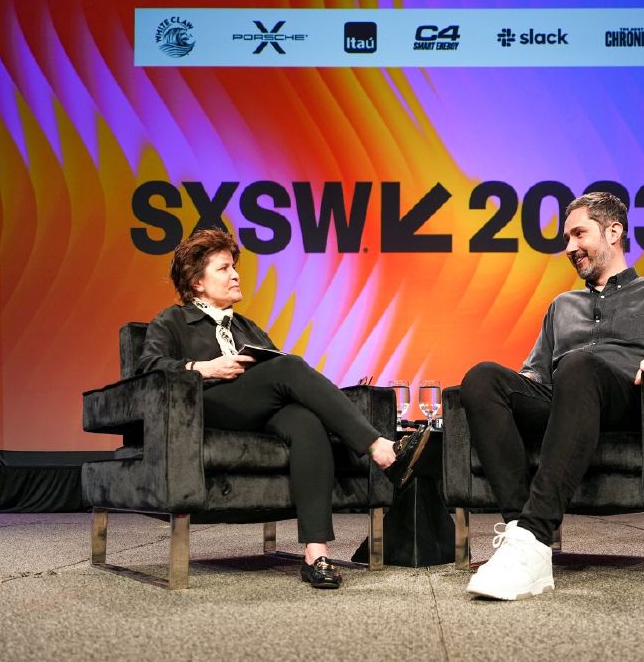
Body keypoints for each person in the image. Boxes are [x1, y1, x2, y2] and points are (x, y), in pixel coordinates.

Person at [137, 228, 429, 590]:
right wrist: (204, 368)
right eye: (224, 269)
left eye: (234, 267)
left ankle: (315, 555)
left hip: (256, 411)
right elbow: (148, 368)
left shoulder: (246, 327)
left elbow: (276, 379)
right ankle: (380, 448)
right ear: (197, 282)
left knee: (306, 421)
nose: (235, 275)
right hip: (205, 407)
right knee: (289, 365)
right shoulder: (173, 321)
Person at [460, 192, 644, 600]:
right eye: (566, 238)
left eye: (579, 234)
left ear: (614, 232)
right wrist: (519, 386)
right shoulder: (562, 305)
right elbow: (536, 373)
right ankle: (524, 538)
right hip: (567, 402)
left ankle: (535, 531)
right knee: (482, 377)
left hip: (628, 400)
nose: (569, 247)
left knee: (578, 365)